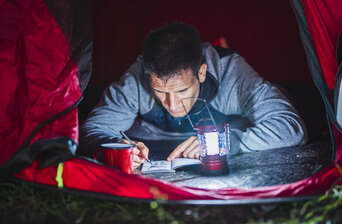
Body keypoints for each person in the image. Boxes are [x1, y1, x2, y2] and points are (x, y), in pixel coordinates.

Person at [80, 22, 308, 170]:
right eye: (160, 92)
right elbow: (92, 130)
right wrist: (119, 148)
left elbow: (291, 128)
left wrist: (225, 142)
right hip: (154, 149)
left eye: (182, 91)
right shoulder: (136, 78)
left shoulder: (231, 73)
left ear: (201, 72)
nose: (172, 105)